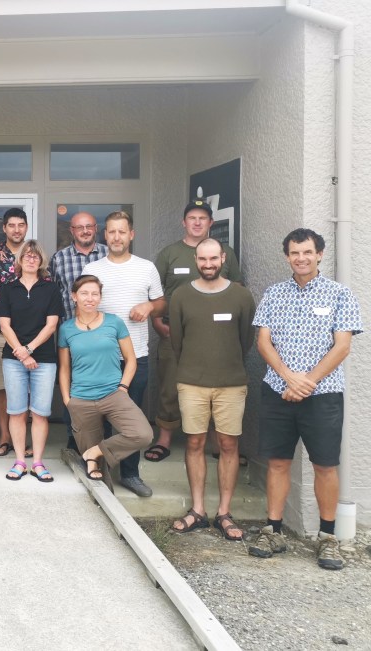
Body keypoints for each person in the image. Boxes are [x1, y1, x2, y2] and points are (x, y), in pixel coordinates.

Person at [249, 228, 362, 570]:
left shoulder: (339, 294)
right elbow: (263, 342)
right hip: (277, 390)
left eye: (307, 252)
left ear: (319, 254)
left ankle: (327, 538)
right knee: (278, 462)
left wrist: (307, 382)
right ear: (287, 256)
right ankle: (273, 530)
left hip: (322, 395)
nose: (301, 258)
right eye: (295, 253)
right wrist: (288, 378)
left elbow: (342, 346)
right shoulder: (274, 294)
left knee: (325, 465)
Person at [168, 238, 255, 540]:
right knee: (194, 443)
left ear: (223, 259)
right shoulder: (181, 295)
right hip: (191, 381)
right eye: (203, 259)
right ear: (195, 260)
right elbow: (177, 341)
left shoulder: (241, 296)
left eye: (213, 259)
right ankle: (198, 510)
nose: (208, 264)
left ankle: (224, 513)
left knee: (229, 445)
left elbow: (246, 340)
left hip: (231, 383)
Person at [148, 200, 244, 462]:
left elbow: (237, 288)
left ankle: (216, 442)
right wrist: (157, 322)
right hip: (172, 331)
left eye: (203, 218)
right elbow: (154, 292)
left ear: (211, 223)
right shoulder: (170, 254)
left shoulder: (225, 253)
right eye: (192, 217)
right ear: (184, 222)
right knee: (170, 384)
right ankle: (164, 438)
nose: (197, 222)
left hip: (216, 335)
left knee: (214, 387)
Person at [82, 211, 165, 497]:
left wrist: (150, 307)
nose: (116, 237)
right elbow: (83, 307)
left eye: (122, 231)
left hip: (135, 357)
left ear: (131, 234)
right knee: (99, 418)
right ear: (105, 235)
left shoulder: (146, 268)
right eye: (112, 232)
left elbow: (161, 302)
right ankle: (99, 470)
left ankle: (130, 474)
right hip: (100, 359)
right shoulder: (92, 269)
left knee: (132, 420)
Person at [58, 275, 152, 485]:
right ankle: (95, 460)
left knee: (142, 434)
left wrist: (123, 387)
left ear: (100, 297)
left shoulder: (114, 322)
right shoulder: (66, 328)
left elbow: (131, 359)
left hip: (113, 394)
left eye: (95, 294)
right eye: (84, 293)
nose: (89, 298)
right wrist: (67, 400)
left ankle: (94, 452)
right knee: (98, 472)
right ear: (74, 296)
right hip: (81, 399)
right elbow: (64, 368)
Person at [0, 240, 62, 481]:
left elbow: (51, 325)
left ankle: (37, 463)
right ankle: (19, 462)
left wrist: (30, 349)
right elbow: (4, 325)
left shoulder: (51, 289)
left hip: (43, 359)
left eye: (35, 256)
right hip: (13, 359)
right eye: (27, 255)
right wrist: (21, 353)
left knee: (40, 413)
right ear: (20, 259)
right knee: (16, 412)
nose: (31, 259)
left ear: (41, 260)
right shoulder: (8, 289)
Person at [47, 212, 109, 451]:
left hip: (102, 335)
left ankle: (101, 440)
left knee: (103, 385)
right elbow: (53, 295)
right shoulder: (59, 258)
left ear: (96, 228)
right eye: (79, 227)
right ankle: (74, 438)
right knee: (71, 385)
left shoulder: (108, 255)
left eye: (89, 226)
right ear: (71, 231)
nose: (85, 231)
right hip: (71, 334)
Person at [0, 208, 28, 457]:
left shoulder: (34, 255)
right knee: (0, 386)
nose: (16, 230)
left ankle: (24, 438)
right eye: (12, 225)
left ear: (26, 227)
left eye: (21, 225)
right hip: (0, 332)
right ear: (4, 228)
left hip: (31, 335)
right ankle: (5, 437)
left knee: (27, 387)